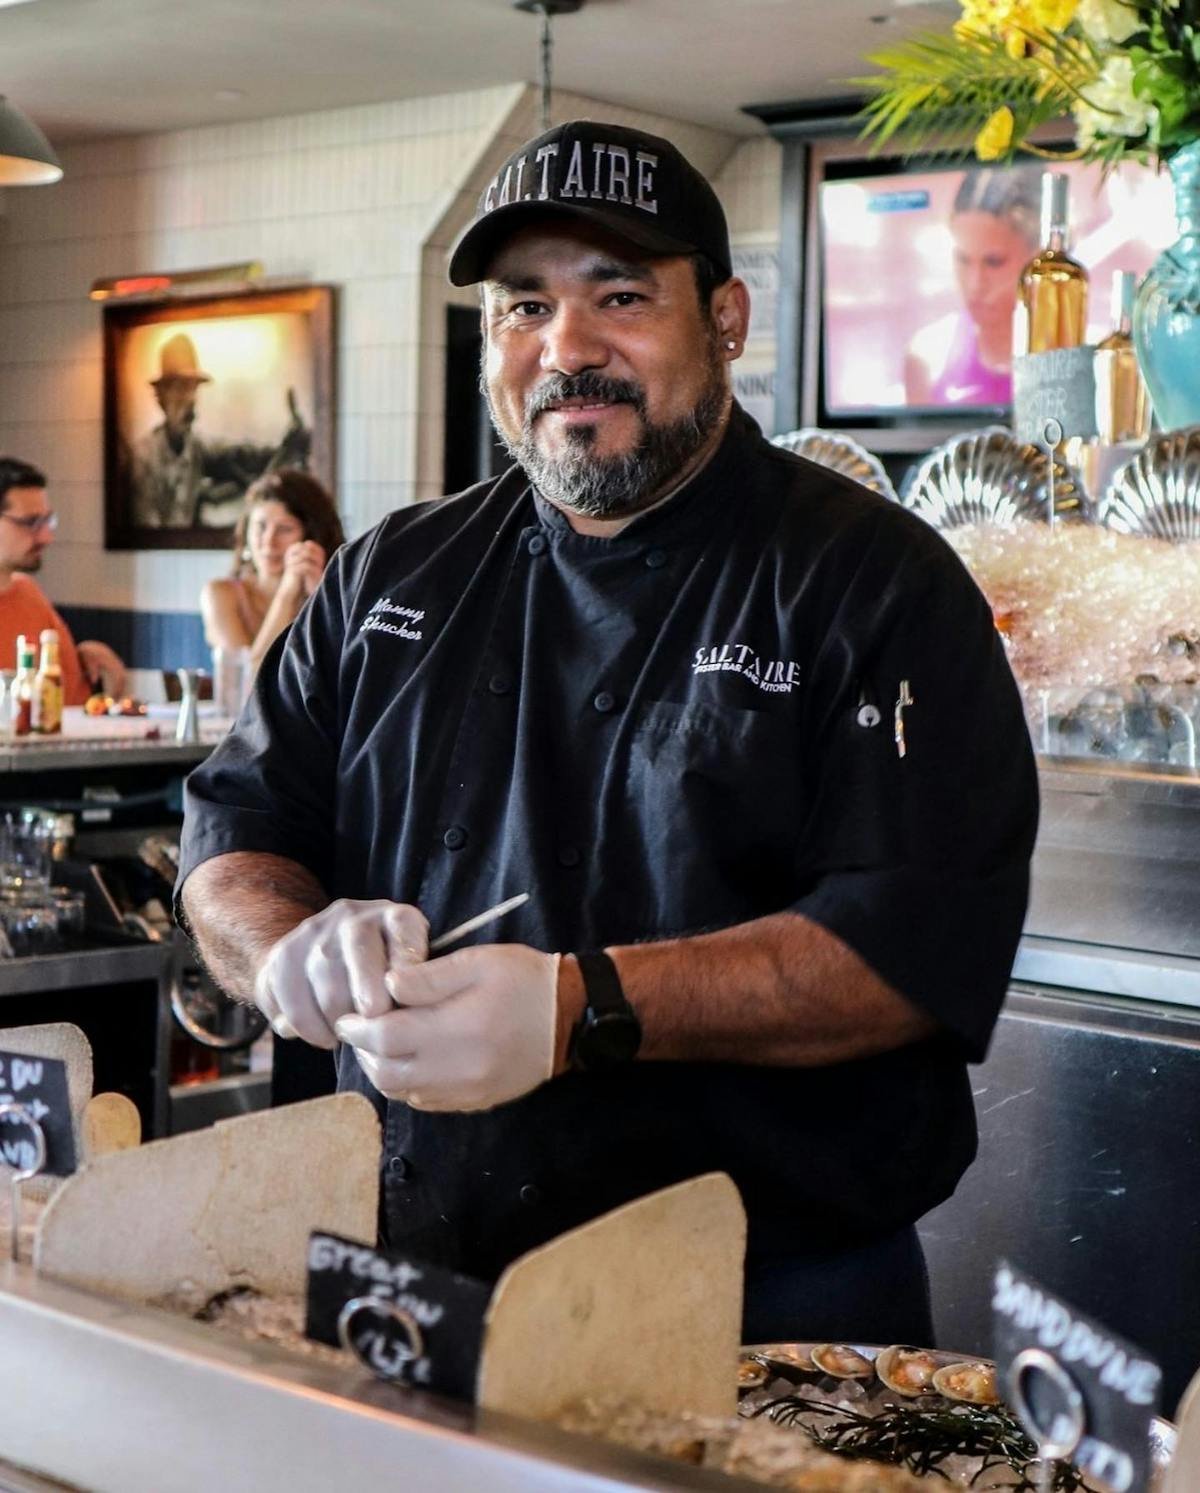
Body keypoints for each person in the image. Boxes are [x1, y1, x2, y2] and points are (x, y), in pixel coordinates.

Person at [179, 120, 1038, 1345]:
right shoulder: (389, 574)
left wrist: (581, 1006)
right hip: (403, 1273)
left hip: (765, 1304)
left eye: (620, 296)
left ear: (726, 319)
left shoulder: (874, 583)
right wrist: (283, 949)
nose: (567, 351)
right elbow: (236, 829)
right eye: (523, 307)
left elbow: (906, 946)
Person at [128, 333, 311, 531]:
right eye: (180, 389)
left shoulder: (198, 449)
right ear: (161, 397)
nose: (190, 399)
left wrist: (288, 446)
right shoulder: (141, 459)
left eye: (192, 389)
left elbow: (244, 455)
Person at [904, 167, 1041, 408]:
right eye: (963, 260)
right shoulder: (929, 355)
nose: (975, 284)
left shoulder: (1084, 354)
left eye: (994, 262)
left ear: (1036, 257)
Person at [0, 457, 125, 701]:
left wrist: (82, 659)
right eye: (31, 522)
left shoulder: (28, 593)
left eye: (47, 521)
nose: (46, 537)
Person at [200, 468, 345, 675]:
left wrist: (320, 599)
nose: (269, 542)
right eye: (260, 526)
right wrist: (286, 593)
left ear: (313, 536)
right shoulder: (220, 594)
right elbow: (248, 682)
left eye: (285, 529)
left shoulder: (334, 594)